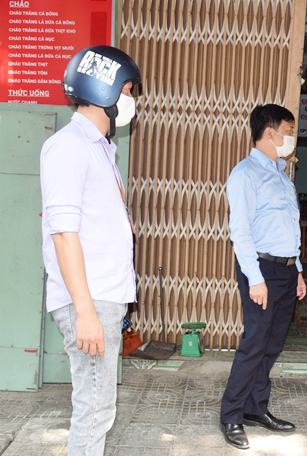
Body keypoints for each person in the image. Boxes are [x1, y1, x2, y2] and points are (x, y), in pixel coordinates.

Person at [40, 46, 141, 455]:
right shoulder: (70, 147)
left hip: (101, 298)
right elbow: (64, 234)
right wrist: (85, 313)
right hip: (89, 301)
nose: (133, 99)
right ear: (106, 90)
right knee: (94, 410)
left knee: (99, 407)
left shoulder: (98, 146)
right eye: (130, 90)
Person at [221, 104, 307, 450]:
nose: (291, 137)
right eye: (288, 129)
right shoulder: (245, 174)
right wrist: (255, 278)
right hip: (261, 270)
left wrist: (298, 271)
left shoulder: (282, 175)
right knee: (254, 344)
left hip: (286, 271)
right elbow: (240, 232)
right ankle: (231, 415)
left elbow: (289, 229)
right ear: (269, 132)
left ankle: (257, 408)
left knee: (272, 345)